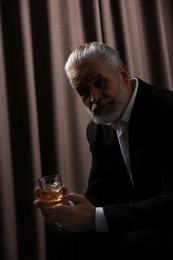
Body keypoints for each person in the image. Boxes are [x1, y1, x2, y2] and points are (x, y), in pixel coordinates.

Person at [33, 42, 173, 259]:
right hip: (138, 220)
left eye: (100, 83)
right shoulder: (96, 129)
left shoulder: (168, 111)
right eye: (84, 91)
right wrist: (69, 210)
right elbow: (100, 194)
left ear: (123, 74)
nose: (94, 98)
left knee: (136, 243)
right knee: (74, 239)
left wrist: (94, 218)